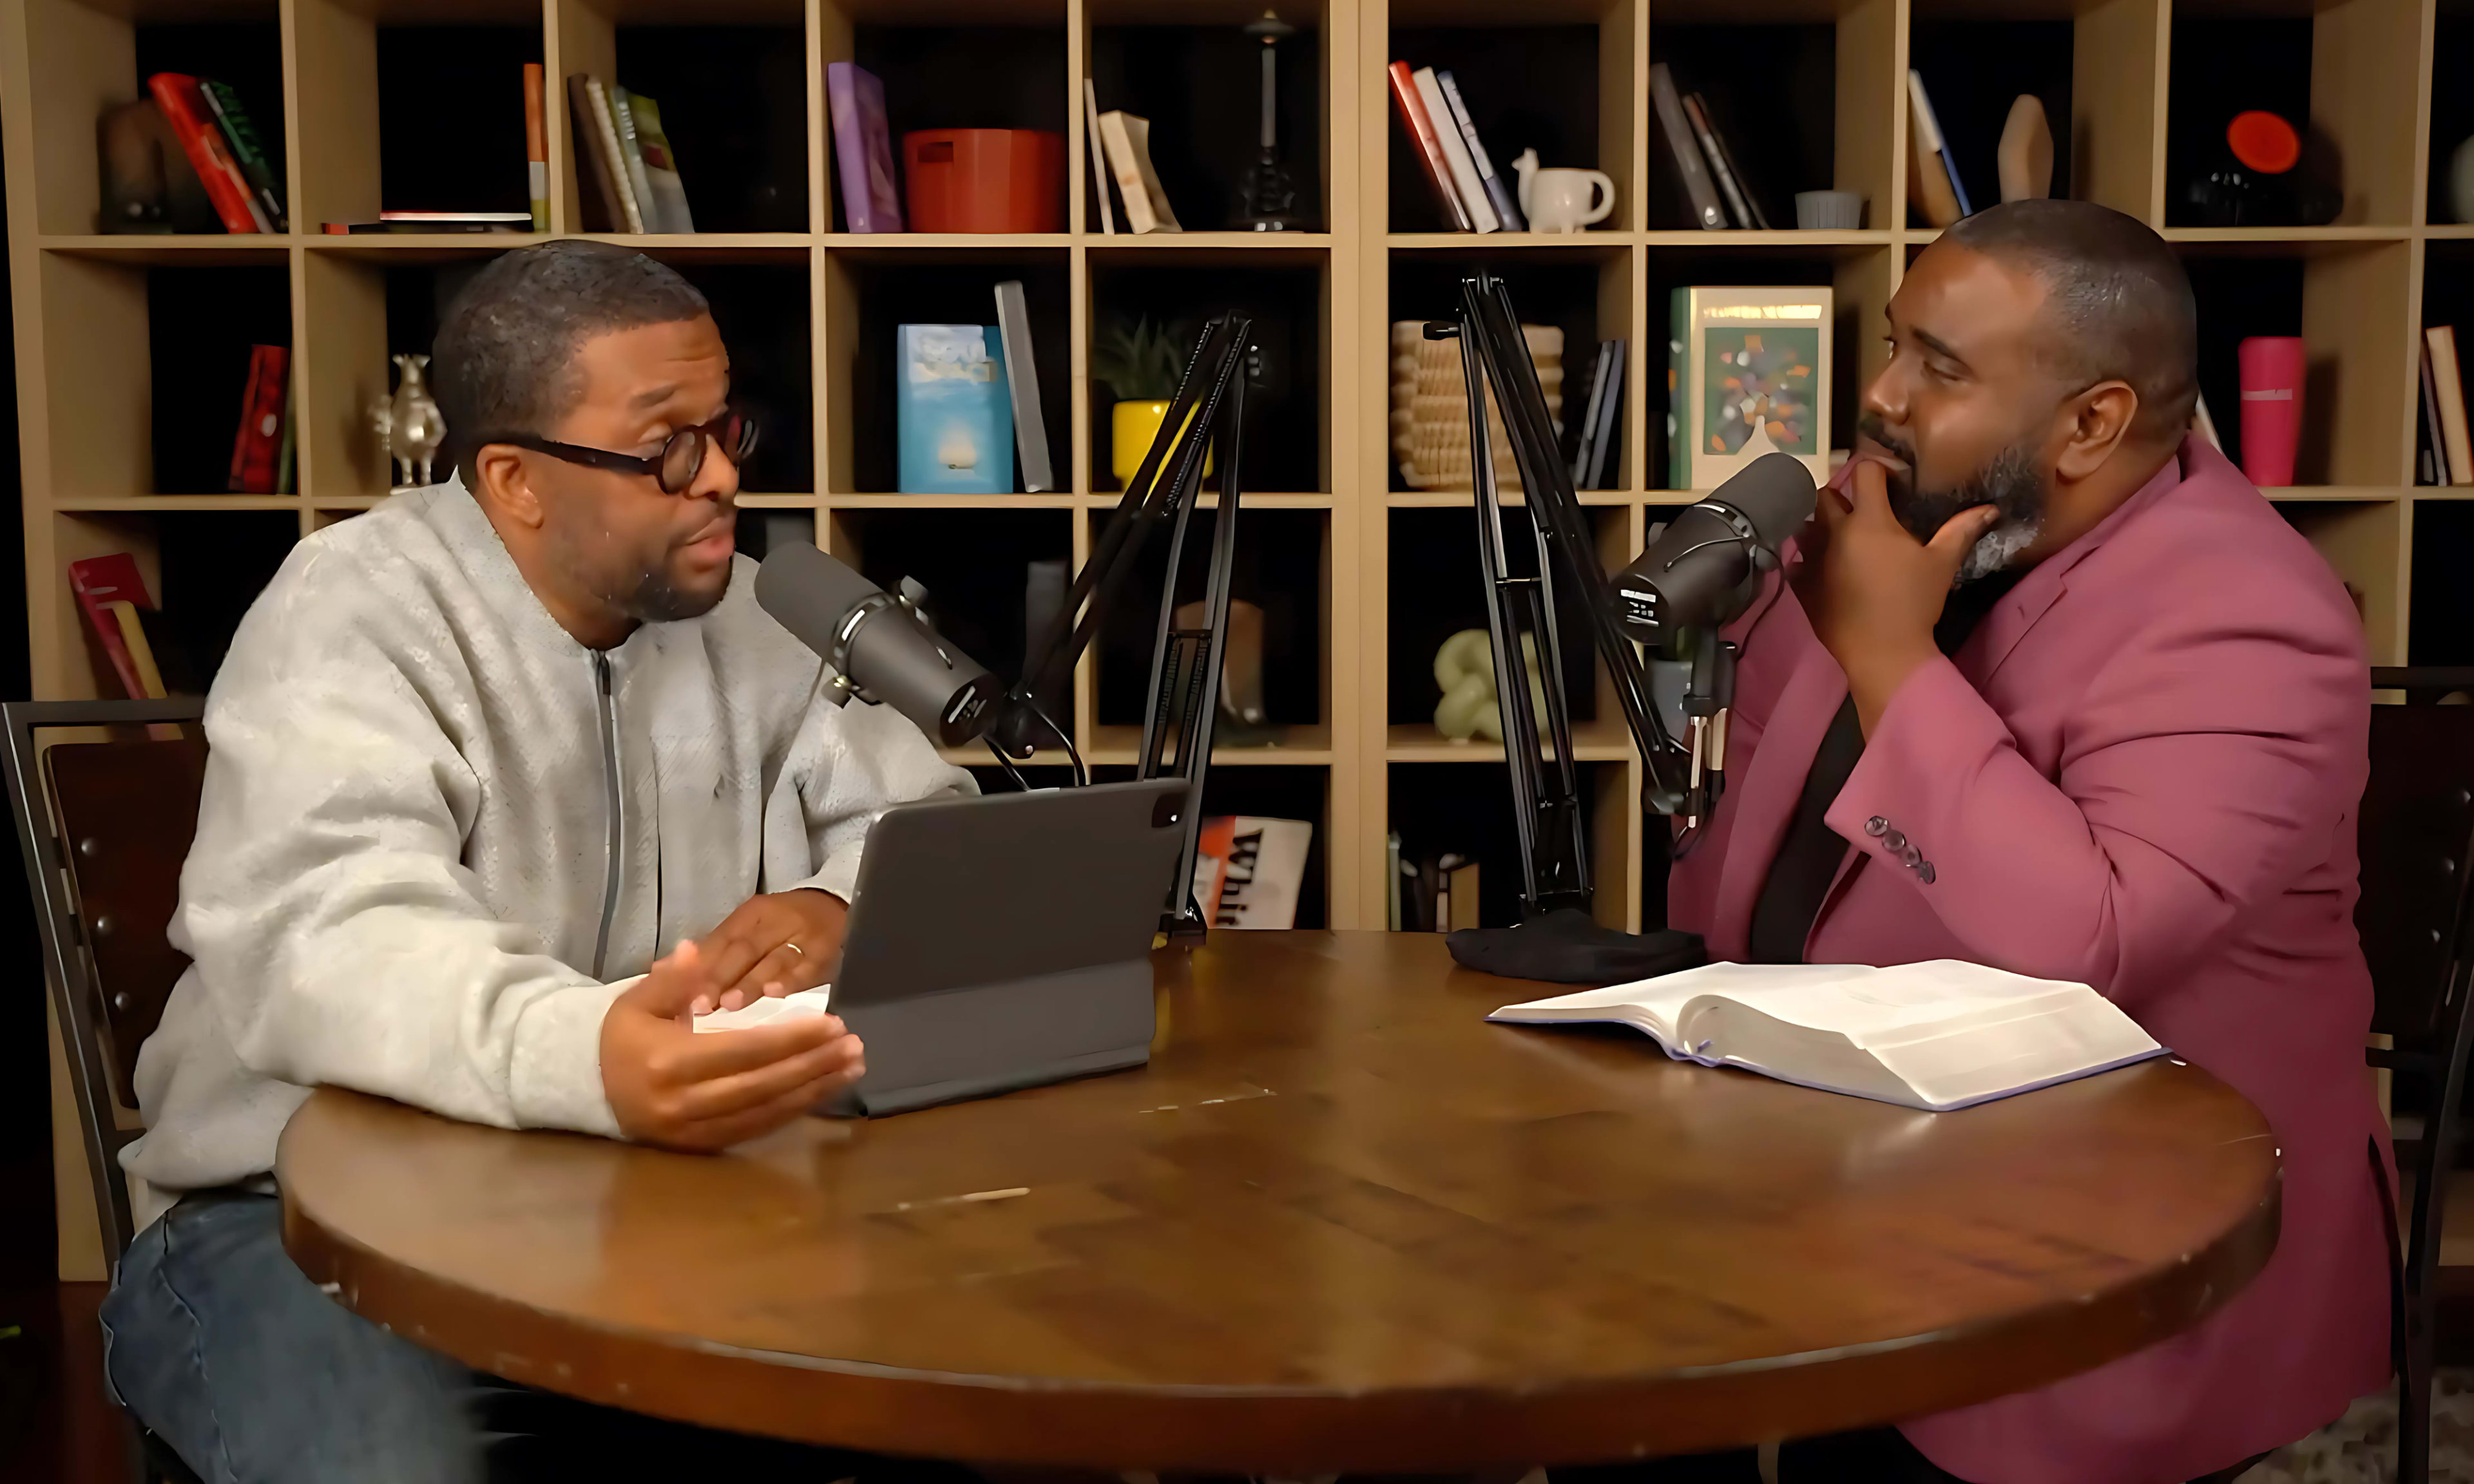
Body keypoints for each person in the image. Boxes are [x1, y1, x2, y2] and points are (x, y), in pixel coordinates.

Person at [100, 241, 977, 1483]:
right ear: (514, 480)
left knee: (908, 1413)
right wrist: (588, 1053)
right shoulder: (348, 610)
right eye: (668, 446)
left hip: (642, 1196)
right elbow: (336, 933)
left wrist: (839, 905)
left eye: (726, 427)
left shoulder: (754, 614)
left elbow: (927, 828)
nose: (722, 476)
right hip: (283, 1212)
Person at [1618, 201, 2390, 1481]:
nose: (1880, 395)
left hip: (2101, 1258)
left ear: (2091, 424)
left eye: (1941, 367)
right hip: (1831, 1178)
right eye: (1895, 344)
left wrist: (1890, 658)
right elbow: (1756, 829)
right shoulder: (1901, 520)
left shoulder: (2249, 620)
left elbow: (2097, 938)